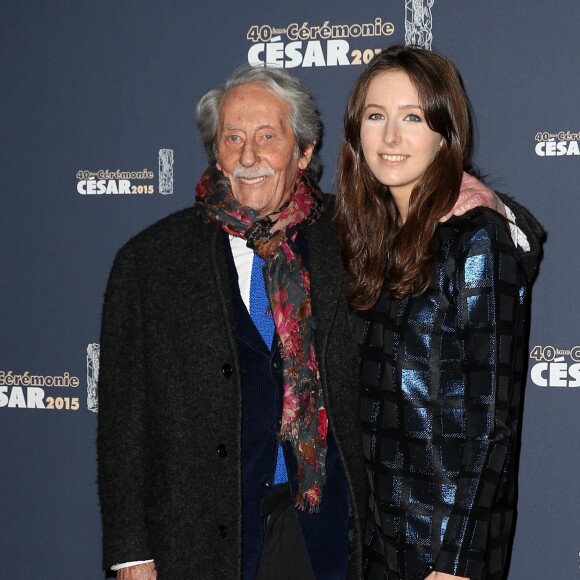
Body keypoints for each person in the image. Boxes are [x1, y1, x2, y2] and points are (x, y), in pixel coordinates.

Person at [97, 64, 542, 580]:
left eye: (268, 136)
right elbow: (124, 426)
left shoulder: (351, 236)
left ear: (304, 153)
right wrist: (132, 554)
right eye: (233, 137)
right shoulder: (150, 262)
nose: (249, 155)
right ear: (215, 153)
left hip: (329, 536)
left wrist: (484, 200)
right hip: (197, 542)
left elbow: (457, 231)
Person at [335, 46, 537, 580]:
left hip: (448, 552)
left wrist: (456, 562)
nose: (391, 138)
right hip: (382, 544)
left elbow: (492, 423)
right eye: (376, 117)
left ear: (445, 131)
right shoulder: (370, 240)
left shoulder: (477, 240)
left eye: (413, 118)